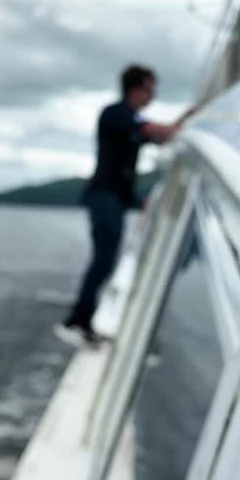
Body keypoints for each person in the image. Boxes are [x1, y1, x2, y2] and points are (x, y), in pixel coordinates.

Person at [55, 64, 194, 347]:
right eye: (150, 88)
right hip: (103, 197)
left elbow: (160, 136)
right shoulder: (116, 114)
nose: (153, 94)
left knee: (104, 261)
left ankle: (83, 320)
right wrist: (191, 117)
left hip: (116, 199)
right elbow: (160, 130)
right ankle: (75, 322)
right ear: (137, 87)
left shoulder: (131, 121)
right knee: (103, 260)